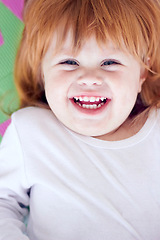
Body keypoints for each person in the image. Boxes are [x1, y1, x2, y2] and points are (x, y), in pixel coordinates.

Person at [0, 0, 160, 239]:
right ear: (42, 70)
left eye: (110, 62)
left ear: (142, 72)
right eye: (69, 62)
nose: (89, 78)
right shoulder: (31, 132)